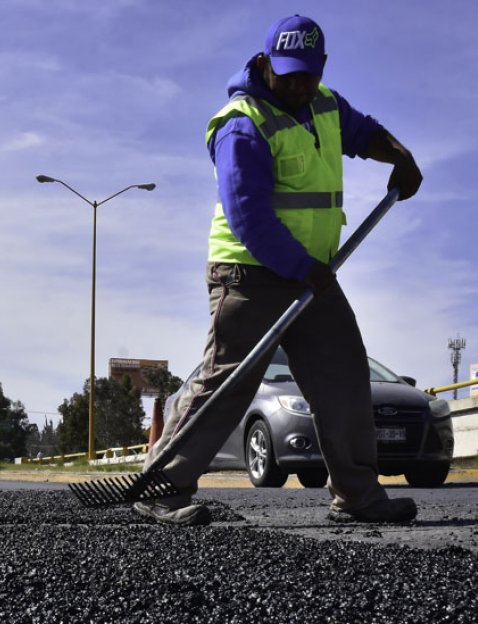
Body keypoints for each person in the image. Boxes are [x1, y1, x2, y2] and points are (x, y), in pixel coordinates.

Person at [136, 15, 424, 526]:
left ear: (321, 69)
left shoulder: (327, 105)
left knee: (344, 375)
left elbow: (366, 133)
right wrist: (301, 267)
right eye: (287, 74)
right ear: (265, 63)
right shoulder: (241, 123)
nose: (297, 86)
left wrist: (399, 156)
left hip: (312, 273)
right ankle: (161, 486)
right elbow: (249, 215)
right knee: (229, 381)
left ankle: (356, 493)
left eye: (306, 76)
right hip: (249, 272)